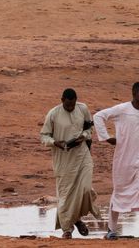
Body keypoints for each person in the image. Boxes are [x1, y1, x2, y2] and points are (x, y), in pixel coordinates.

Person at [94, 82, 139, 240]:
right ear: (134, 94)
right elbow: (98, 117)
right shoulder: (122, 109)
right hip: (124, 161)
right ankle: (111, 230)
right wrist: (107, 138)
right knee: (118, 193)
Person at [40, 88, 101, 239]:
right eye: (67, 105)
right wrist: (55, 143)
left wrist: (84, 136)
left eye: (72, 105)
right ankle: (67, 229)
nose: (70, 108)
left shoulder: (82, 108)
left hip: (82, 156)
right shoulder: (53, 114)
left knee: (86, 190)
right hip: (63, 159)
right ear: (62, 100)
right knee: (65, 195)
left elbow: (89, 128)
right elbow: (44, 136)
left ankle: (77, 217)